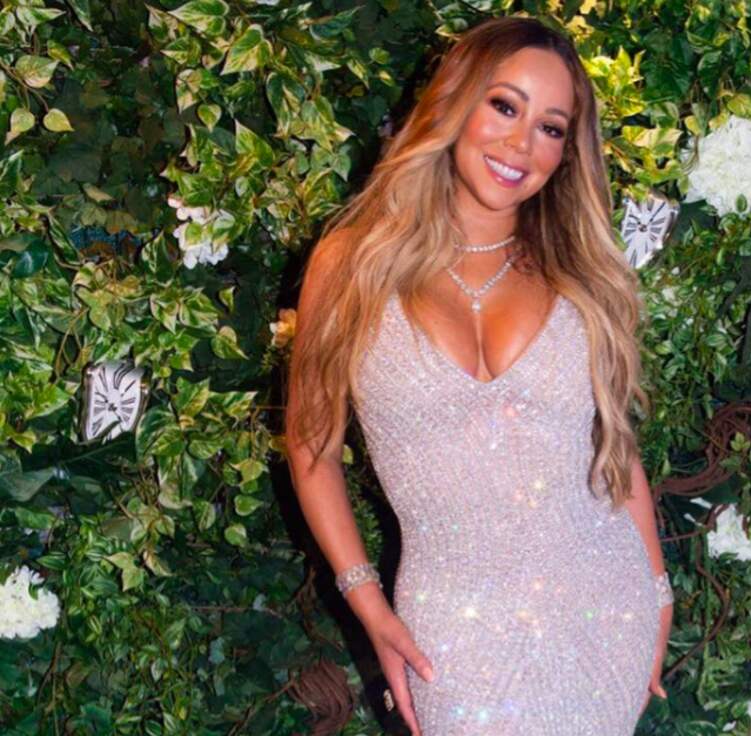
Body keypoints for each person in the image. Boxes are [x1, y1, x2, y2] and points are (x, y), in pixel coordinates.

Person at [285, 16, 673, 735]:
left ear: (566, 152)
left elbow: (615, 452)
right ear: (456, 102)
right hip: (450, 629)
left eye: (550, 128)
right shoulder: (350, 265)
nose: (522, 144)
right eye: (504, 106)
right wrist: (369, 605)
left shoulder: (578, 274)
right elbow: (312, 449)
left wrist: (658, 589)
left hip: (604, 607)